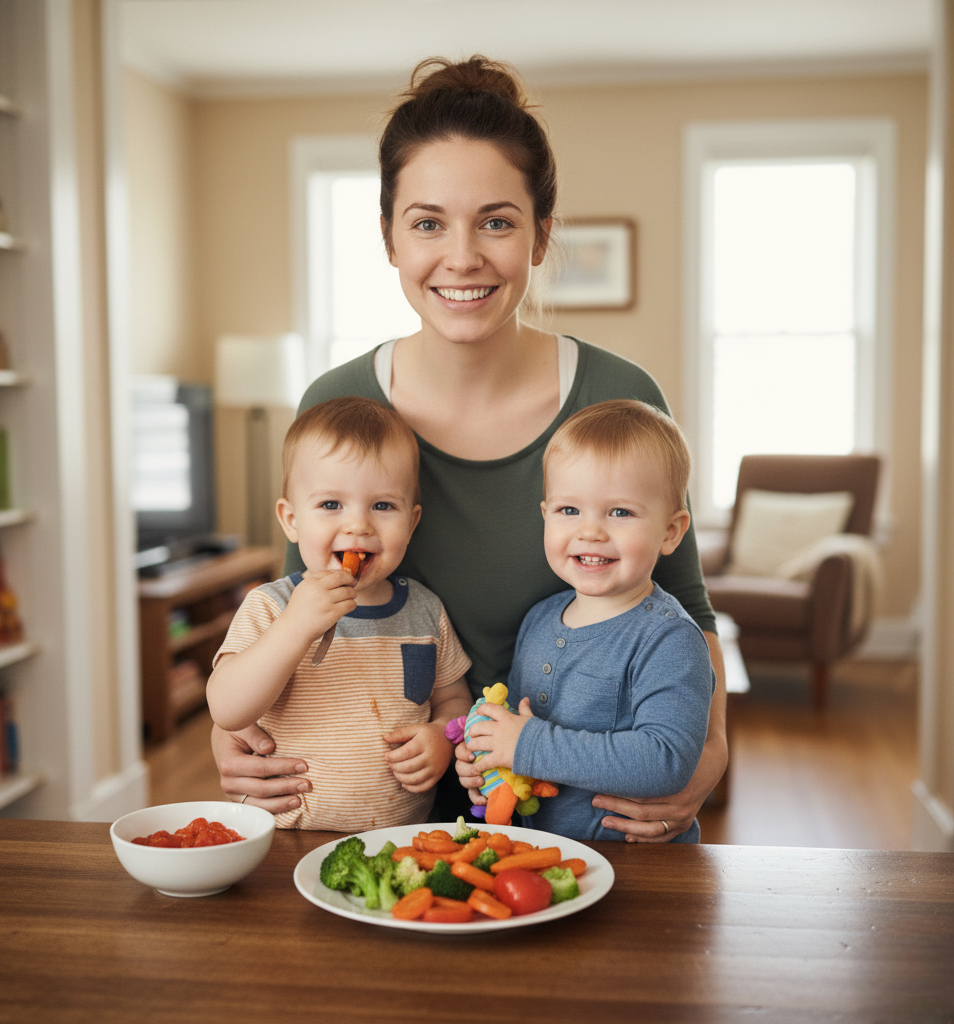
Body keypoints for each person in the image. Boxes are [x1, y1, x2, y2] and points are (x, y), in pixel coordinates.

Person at [212, 55, 728, 843]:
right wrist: (228, 732)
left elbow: (686, 615)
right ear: (388, 237)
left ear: (540, 236)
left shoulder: (619, 397)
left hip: (580, 817)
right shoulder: (339, 403)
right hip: (382, 821)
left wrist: (712, 752)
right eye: (426, 222)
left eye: (496, 220)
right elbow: (301, 615)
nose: (462, 257)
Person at [206, 396, 472, 830]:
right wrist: (296, 626)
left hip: (399, 839)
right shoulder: (271, 607)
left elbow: (453, 697)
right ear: (291, 520)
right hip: (288, 836)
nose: (358, 526)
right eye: (331, 505)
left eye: (383, 506)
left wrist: (442, 735)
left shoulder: (425, 610)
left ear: (412, 520)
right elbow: (227, 708)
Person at [465, 400, 715, 842]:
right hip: (544, 861)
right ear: (545, 515)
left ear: (671, 531)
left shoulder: (670, 639)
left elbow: (666, 761)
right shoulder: (539, 618)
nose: (591, 532)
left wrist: (527, 746)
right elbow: (518, 728)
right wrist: (489, 758)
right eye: (569, 511)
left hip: (637, 871)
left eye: (620, 512)